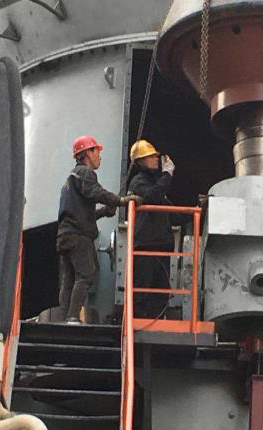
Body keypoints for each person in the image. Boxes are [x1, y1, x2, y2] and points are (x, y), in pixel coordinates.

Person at [57, 135, 141, 324]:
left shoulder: (70, 180)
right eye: (96, 152)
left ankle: (64, 318)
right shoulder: (85, 173)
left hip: (65, 236)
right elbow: (96, 192)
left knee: (69, 279)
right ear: (88, 153)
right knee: (86, 275)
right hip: (79, 236)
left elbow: (79, 213)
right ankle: (73, 316)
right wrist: (121, 201)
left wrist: (103, 212)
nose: (99, 156)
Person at [128, 140, 176, 318]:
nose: (157, 158)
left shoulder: (155, 184)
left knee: (161, 292)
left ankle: (155, 322)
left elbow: (172, 213)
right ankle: (139, 323)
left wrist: (200, 209)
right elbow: (152, 197)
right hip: (145, 246)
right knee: (142, 291)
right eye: (151, 156)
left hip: (160, 246)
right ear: (140, 161)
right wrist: (167, 175)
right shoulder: (138, 182)